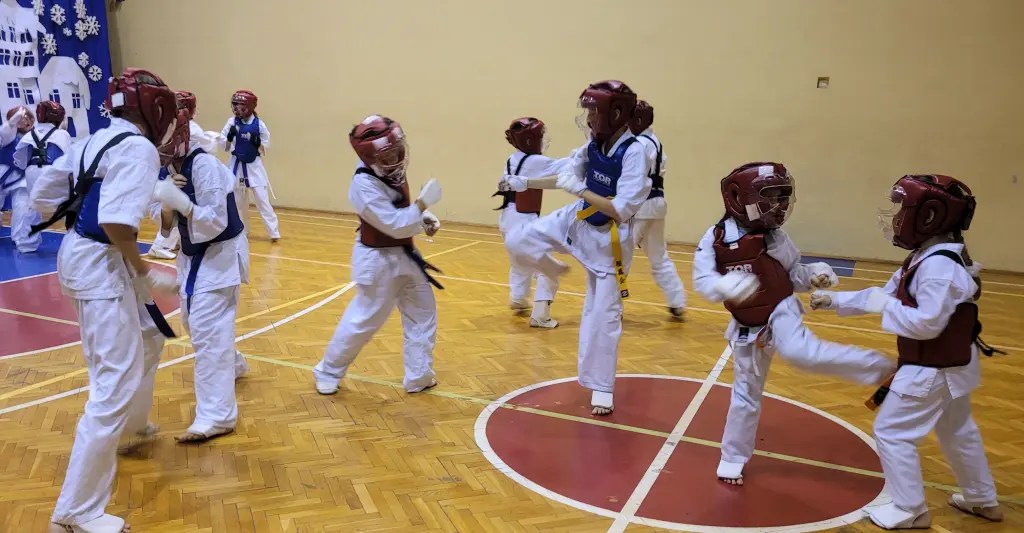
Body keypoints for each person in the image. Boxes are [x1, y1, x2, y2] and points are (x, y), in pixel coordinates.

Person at [30, 67, 180, 533]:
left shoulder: (92, 140)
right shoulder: (138, 148)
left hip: (84, 256)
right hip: (101, 265)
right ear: (154, 109)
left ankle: (132, 426)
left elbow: (42, 195)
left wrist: (83, 224)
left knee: (150, 336)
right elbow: (116, 222)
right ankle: (76, 512)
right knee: (112, 383)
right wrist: (145, 272)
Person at [809, 174, 1003, 529]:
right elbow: (885, 294)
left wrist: (883, 305)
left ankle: (910, 508)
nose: (897, 217)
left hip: (932, 368)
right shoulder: (927, 256)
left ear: (929, 216)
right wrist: (836, 301)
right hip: (952, 366)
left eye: (903, 209)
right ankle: (982, 499)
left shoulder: (938, 268)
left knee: (892, 432)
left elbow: (925, 324)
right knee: (958, 432)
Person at [691, 161, 895, 485]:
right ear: (739, 197)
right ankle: (732, 457)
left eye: (782, 197)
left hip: (780, 310)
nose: (778, 206)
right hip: (745, 324)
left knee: (803, 354)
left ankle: (880, 368)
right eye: (769, 197)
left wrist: (814, 275)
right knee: (745, 393)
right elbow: (702, 281)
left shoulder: (776, 238)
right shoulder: (715, 238)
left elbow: (793, 274)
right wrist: (723, 287)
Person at [504, 80, 648, 415]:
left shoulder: (636, 152)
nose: (589, 117)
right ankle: (551, 268)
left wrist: (581, 190)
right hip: (577, 220)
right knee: (517, 239)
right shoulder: (594, 143)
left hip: (610, 240)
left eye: (594, 111)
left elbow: (621, 209)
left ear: (615, 113)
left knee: (603, 316)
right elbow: (565, 176)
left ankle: (602, 388)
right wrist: (526, 182)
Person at [312, 114, 443, 395]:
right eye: (388, 154)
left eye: (398, 150)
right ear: (369, 157)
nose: (396, 157)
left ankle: (419, 375)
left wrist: (423, 217)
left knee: (422, 313)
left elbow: (396, 210)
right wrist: (422, 205)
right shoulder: (362, 184)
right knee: (363, 321)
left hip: (405, 256)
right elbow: (394, 225)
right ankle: (328, 370)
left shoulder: (389, 169)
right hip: (377, 262)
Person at [151, 107, 251, 444]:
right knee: (195, 324)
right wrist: (168, 206)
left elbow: (216, 221)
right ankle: (234, 364)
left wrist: (185, 205)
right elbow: (162, 222)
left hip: (221, 252)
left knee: (208, 329)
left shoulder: (204, 165)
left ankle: (217, 416)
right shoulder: (164, 167)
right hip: (193, 255)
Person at [493, 117, 572, 327]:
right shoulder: (535, 161)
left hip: (507, 218)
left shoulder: (512, 158)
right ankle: (540, 314)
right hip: (524, 221)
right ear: (531, 140)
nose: (544, 139)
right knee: (548, 269)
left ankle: (518, 298)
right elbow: (566, 166)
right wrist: (586, 151)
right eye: (541, 136)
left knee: (519, 262)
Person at [628, 100, 686, 319]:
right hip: (657, 203)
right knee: (659, 256)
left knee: (619, 254)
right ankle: (677, 301)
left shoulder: (640, 144)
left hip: (641, 204)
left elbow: (633, 176)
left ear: (638, 120)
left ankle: (610, 303)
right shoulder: (655, 141)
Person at [11, 100, 72, 254]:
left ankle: (26, 244)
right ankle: (74, 241)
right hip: (54, 172)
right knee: (72, 203)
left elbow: (20, 161)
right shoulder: (62, 134)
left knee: (32, 205)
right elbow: (70, 159)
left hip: (32, 172)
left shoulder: (29, 135)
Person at [221, 89, 280, 242]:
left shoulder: (259, 124)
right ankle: (242, 230)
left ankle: (274, 232)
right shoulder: (231, 122)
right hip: (236, 165)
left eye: (240, 105)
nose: (236, 108)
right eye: (235, 105)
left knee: (262, 200)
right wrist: (229, 138)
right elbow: (224, 146)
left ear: (249, 106)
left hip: (254, 166)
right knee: (238, 202)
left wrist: (257, 142)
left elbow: (265, 147)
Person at [0, 105, 37, 252]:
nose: (26, 121)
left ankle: (22, 239)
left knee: (23, 206)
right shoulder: (9, 135)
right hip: (3, 175)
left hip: (21, 179)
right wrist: (11, 123)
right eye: (22, 118)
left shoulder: (36, 136)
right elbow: (6, 132)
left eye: (28, 118)